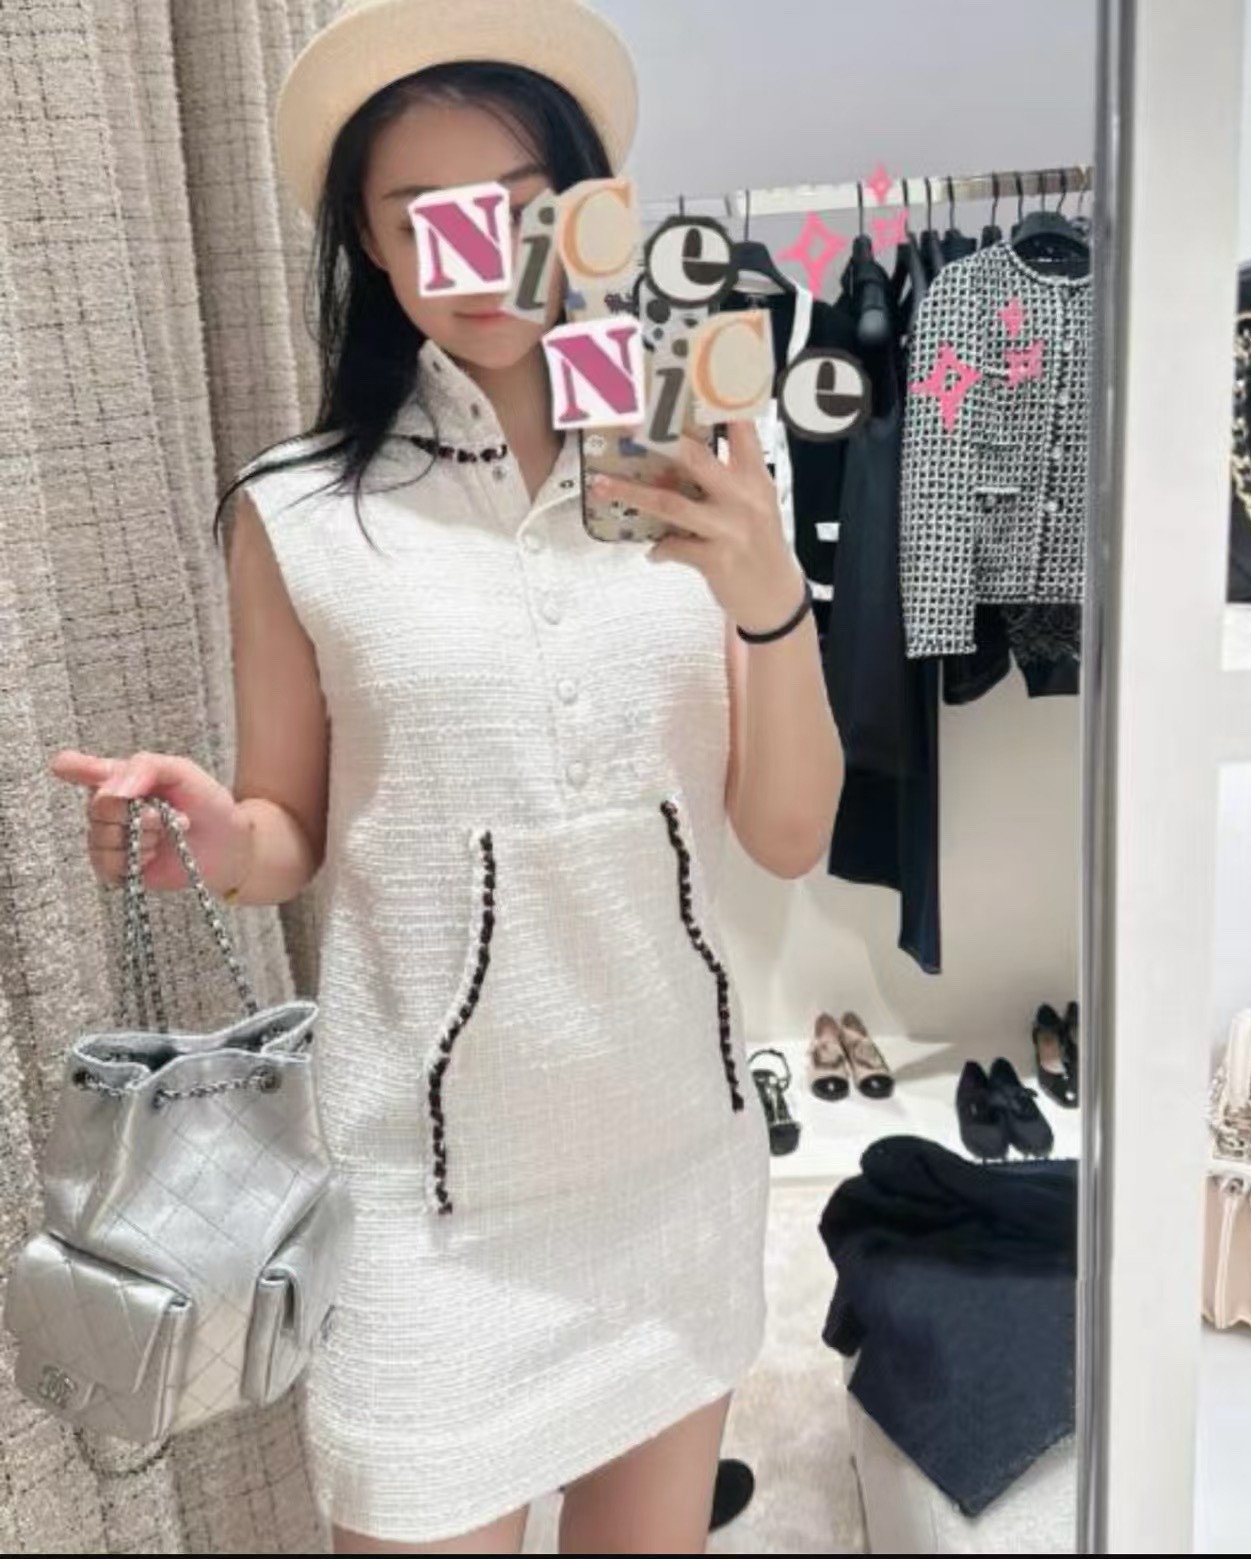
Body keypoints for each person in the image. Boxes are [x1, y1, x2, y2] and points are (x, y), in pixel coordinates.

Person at [49, 1, 844, 1552]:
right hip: (428, 1200)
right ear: (366, 237)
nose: (483, 262)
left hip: (674, 1164)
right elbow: (288, 831)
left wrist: (771, 599)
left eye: (525, 211)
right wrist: (219, 836)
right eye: (426, 219)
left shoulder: (708, 458)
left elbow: (790, 829)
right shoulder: (296, 512)